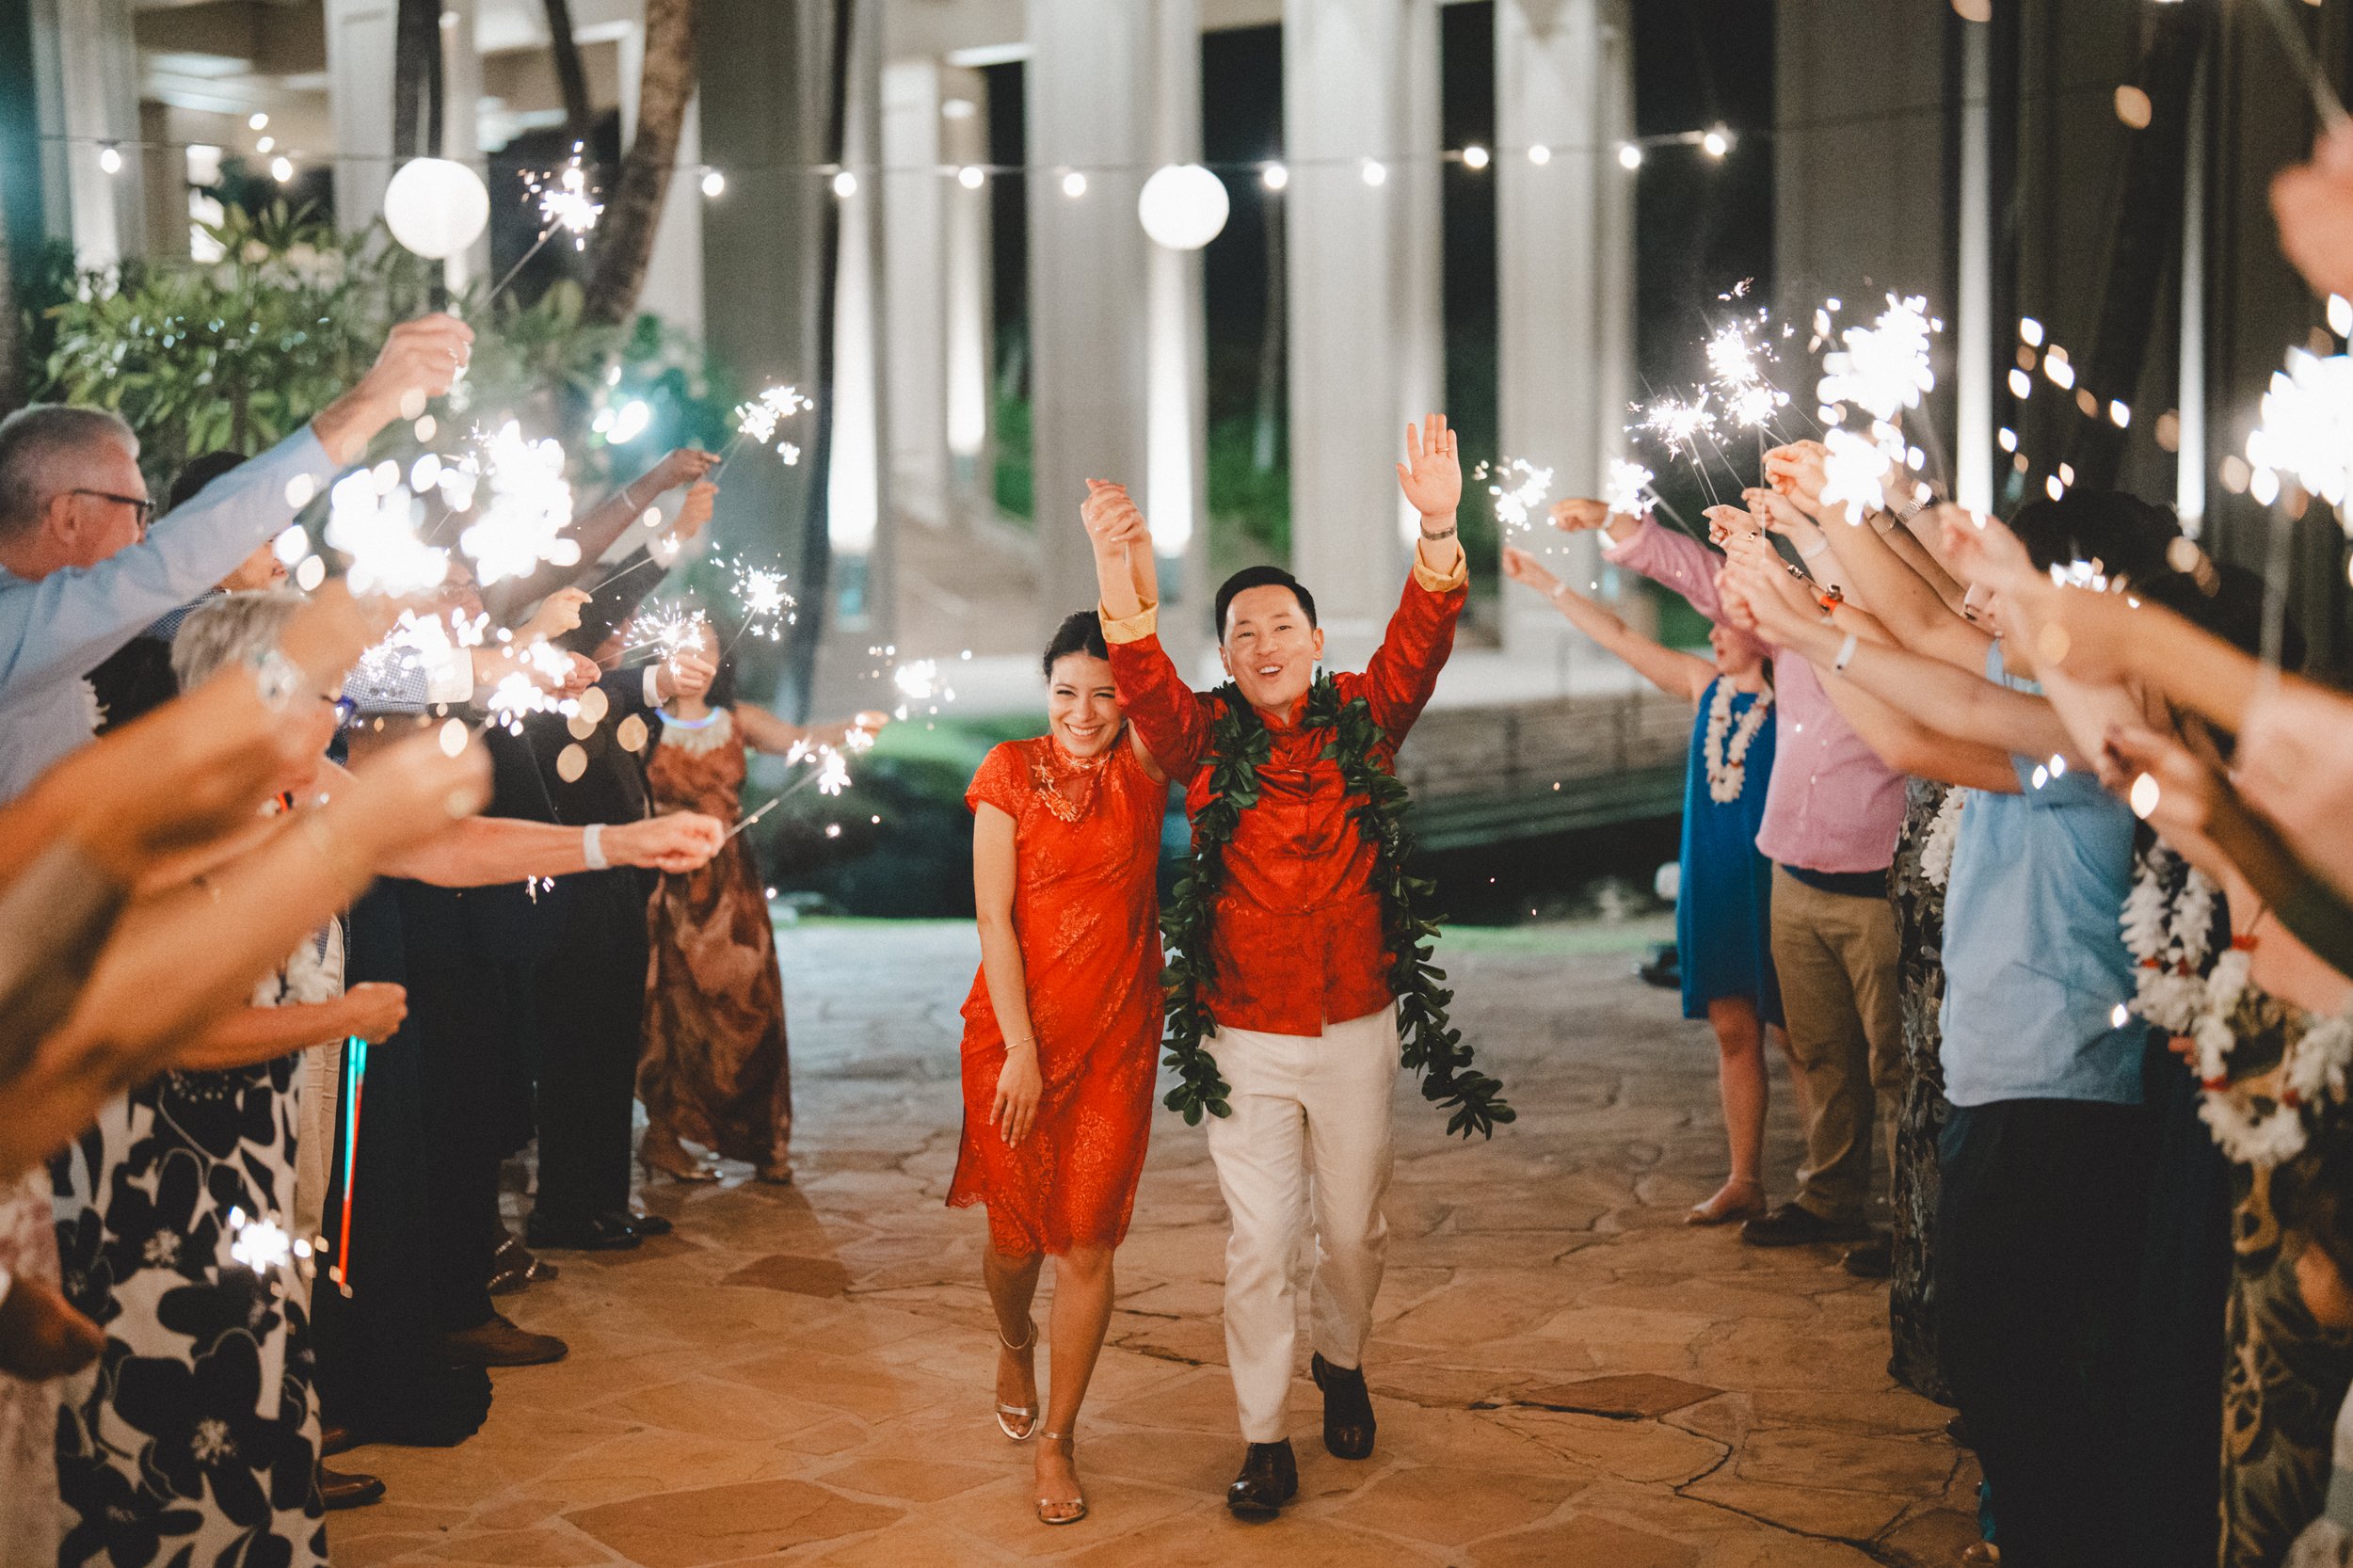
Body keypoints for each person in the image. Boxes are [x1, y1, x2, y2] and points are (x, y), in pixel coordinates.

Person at [46, 589, 722, 1567]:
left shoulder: (299, 785)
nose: (341, 715)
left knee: (270, 1366)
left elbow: (441, 849)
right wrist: (342, 1017)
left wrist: (612, 844)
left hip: (275, 1136)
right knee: (187, 1421)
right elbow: (171, 1031)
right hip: (180, 1177)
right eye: (322, 695)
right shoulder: (169, 827)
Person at [1084, 414, 1477, 1518]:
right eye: (1242, 629)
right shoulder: (1204, 737)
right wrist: (1120, 574)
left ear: (1314, 638)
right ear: (1227, 654)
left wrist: (1437, 524)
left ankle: (1341, 1359)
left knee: (1351, 1227)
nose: (1262, 642)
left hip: (1353, 1019)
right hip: (1240, 1031)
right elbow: (1144, 684)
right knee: (1258, 1241)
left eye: (1281, 624)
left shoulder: (1365, 713)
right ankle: (1263, 1436)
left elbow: (1423, 638)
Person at [1554, 491, 1906, 1269]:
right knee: (1817, 1048)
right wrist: (1618, 524)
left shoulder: (1884, 637)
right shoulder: (1779, 630)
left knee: (1890, 1058)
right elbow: (1700, 577)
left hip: (1872, 875)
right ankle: (1829, 1198)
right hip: (1790, 871)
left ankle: (1917, 1220)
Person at [949, 607, 1166, 1527]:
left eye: (1104, 692)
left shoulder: (1147, 768)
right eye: (1065, 690)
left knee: (1085, 1241)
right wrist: (1024, 1051)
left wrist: (1126, 563)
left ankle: (1058, 1440)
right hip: (1011, 1044)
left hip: (1116, 1042)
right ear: (1045, 691)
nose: (1083, 710)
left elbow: (1155, 670)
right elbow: (994, 917)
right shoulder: (1007, 771)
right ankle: (1011, 1336)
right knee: (1014, 1240)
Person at [1500, 538, 1784, 1224]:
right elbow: (1622, 636)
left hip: (1777, 884)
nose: (1713, 632)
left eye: (1726, 621)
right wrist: (1548, 585)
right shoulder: (1702, 688)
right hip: (1714, 882)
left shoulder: (1798, 701)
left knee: (1801, 1038)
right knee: (1732, 1031)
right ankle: (1744, 1178)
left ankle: (1834, 1185)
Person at [639, 616, 885, 1186]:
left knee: (748, 1009)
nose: (696, 658)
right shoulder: (639, 724)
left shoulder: (737, 720)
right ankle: (663, 1138)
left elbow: (802, 741)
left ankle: (760, 1139)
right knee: (668, 1015)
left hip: (729, 891)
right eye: (684, 647)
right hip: (663, 886)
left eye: (707, 646)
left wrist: (850, 728)